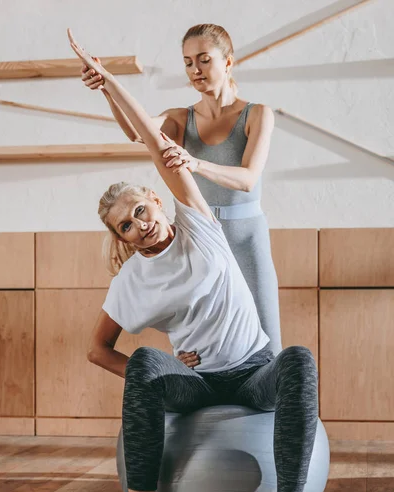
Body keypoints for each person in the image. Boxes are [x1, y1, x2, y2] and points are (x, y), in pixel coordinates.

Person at [68, 29, 337, 492]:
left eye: (141, 210)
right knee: (148, 361)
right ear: (122, 237)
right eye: (127, 225)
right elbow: (145, 133)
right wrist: (105, 84)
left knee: (293, 358)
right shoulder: (134, 277)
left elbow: (224, 169)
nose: (140, 224)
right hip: (199, 378)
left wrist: (190, 162)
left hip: (245, 297)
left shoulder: (200, 215)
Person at [81, 23, 282, 357]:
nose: (195, 70)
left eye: (204, 59)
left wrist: (195, 163)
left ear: (228, 61)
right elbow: (137, 131)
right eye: (188, 62)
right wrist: (106, 87)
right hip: (198, 238)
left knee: (268, 340)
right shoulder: (180, 118)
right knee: (207, 337)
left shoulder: (258, 114)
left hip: (246, 237)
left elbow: (247, 179)